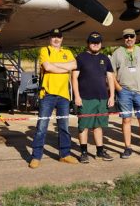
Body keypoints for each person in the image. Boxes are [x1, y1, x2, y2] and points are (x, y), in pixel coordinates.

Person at [29, 29, 78, 168]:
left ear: (62, 39)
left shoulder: (67, 52)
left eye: (59, 37)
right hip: (48, 94)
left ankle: (65, 155)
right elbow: (47, 67)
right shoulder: (45, 50)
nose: (56, 39)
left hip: (64, 95)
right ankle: (36, 157)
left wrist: (56, 66)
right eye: (53, 37)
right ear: (50, 38)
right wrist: (64, 68)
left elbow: (74, 65)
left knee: (64, 127)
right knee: (41, 127)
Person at [110, 28, 140, 159]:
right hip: (124, 92)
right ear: (123, 38)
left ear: (135, 37)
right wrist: (118, 88)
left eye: (131, 36)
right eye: (126, 37)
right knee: (126, 119)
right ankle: (127, 147)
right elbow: (111, 72)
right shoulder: (117, 53)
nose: (129, 39)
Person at [72, 32, 115, 163]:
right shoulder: (80, 57)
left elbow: (110, 78)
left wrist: (112, 95)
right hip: (85, 98)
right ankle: (84, 153)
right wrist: (77, 96)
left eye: (97, 42)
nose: (95, 44)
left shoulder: (105, 59)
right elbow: (74, 78)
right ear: (88, 43)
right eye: (92, 42)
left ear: (101, 44)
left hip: (102, 98)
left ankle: (100, 151)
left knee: (98, 126)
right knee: (83, 126)